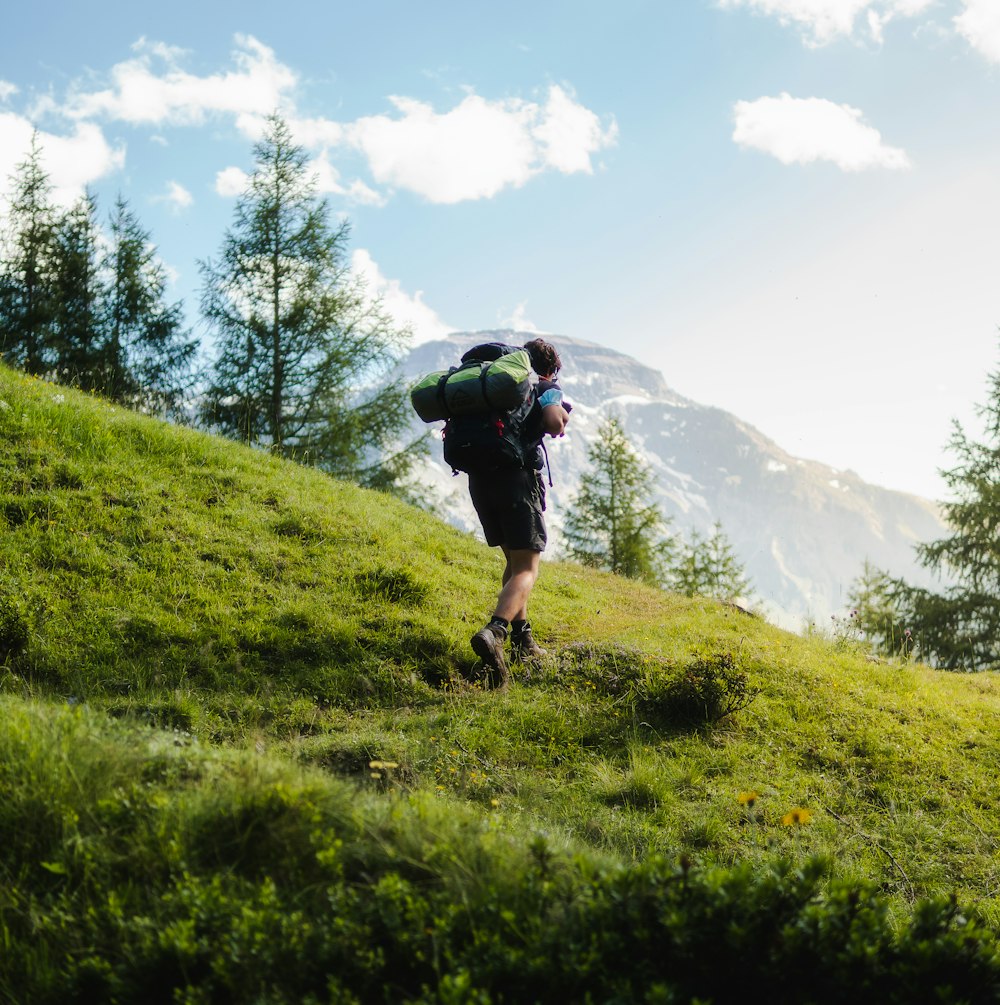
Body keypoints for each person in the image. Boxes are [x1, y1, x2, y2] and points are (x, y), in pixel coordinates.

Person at [468, 338, 570, 688]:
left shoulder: (491, 389)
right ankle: (495, 630)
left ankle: (522, 640)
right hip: (516, 482)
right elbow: (555, 422)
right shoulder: (542, 386)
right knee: (528, 569)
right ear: (550, 368)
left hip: (480, 484)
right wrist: (558, 413)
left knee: (513, 564)